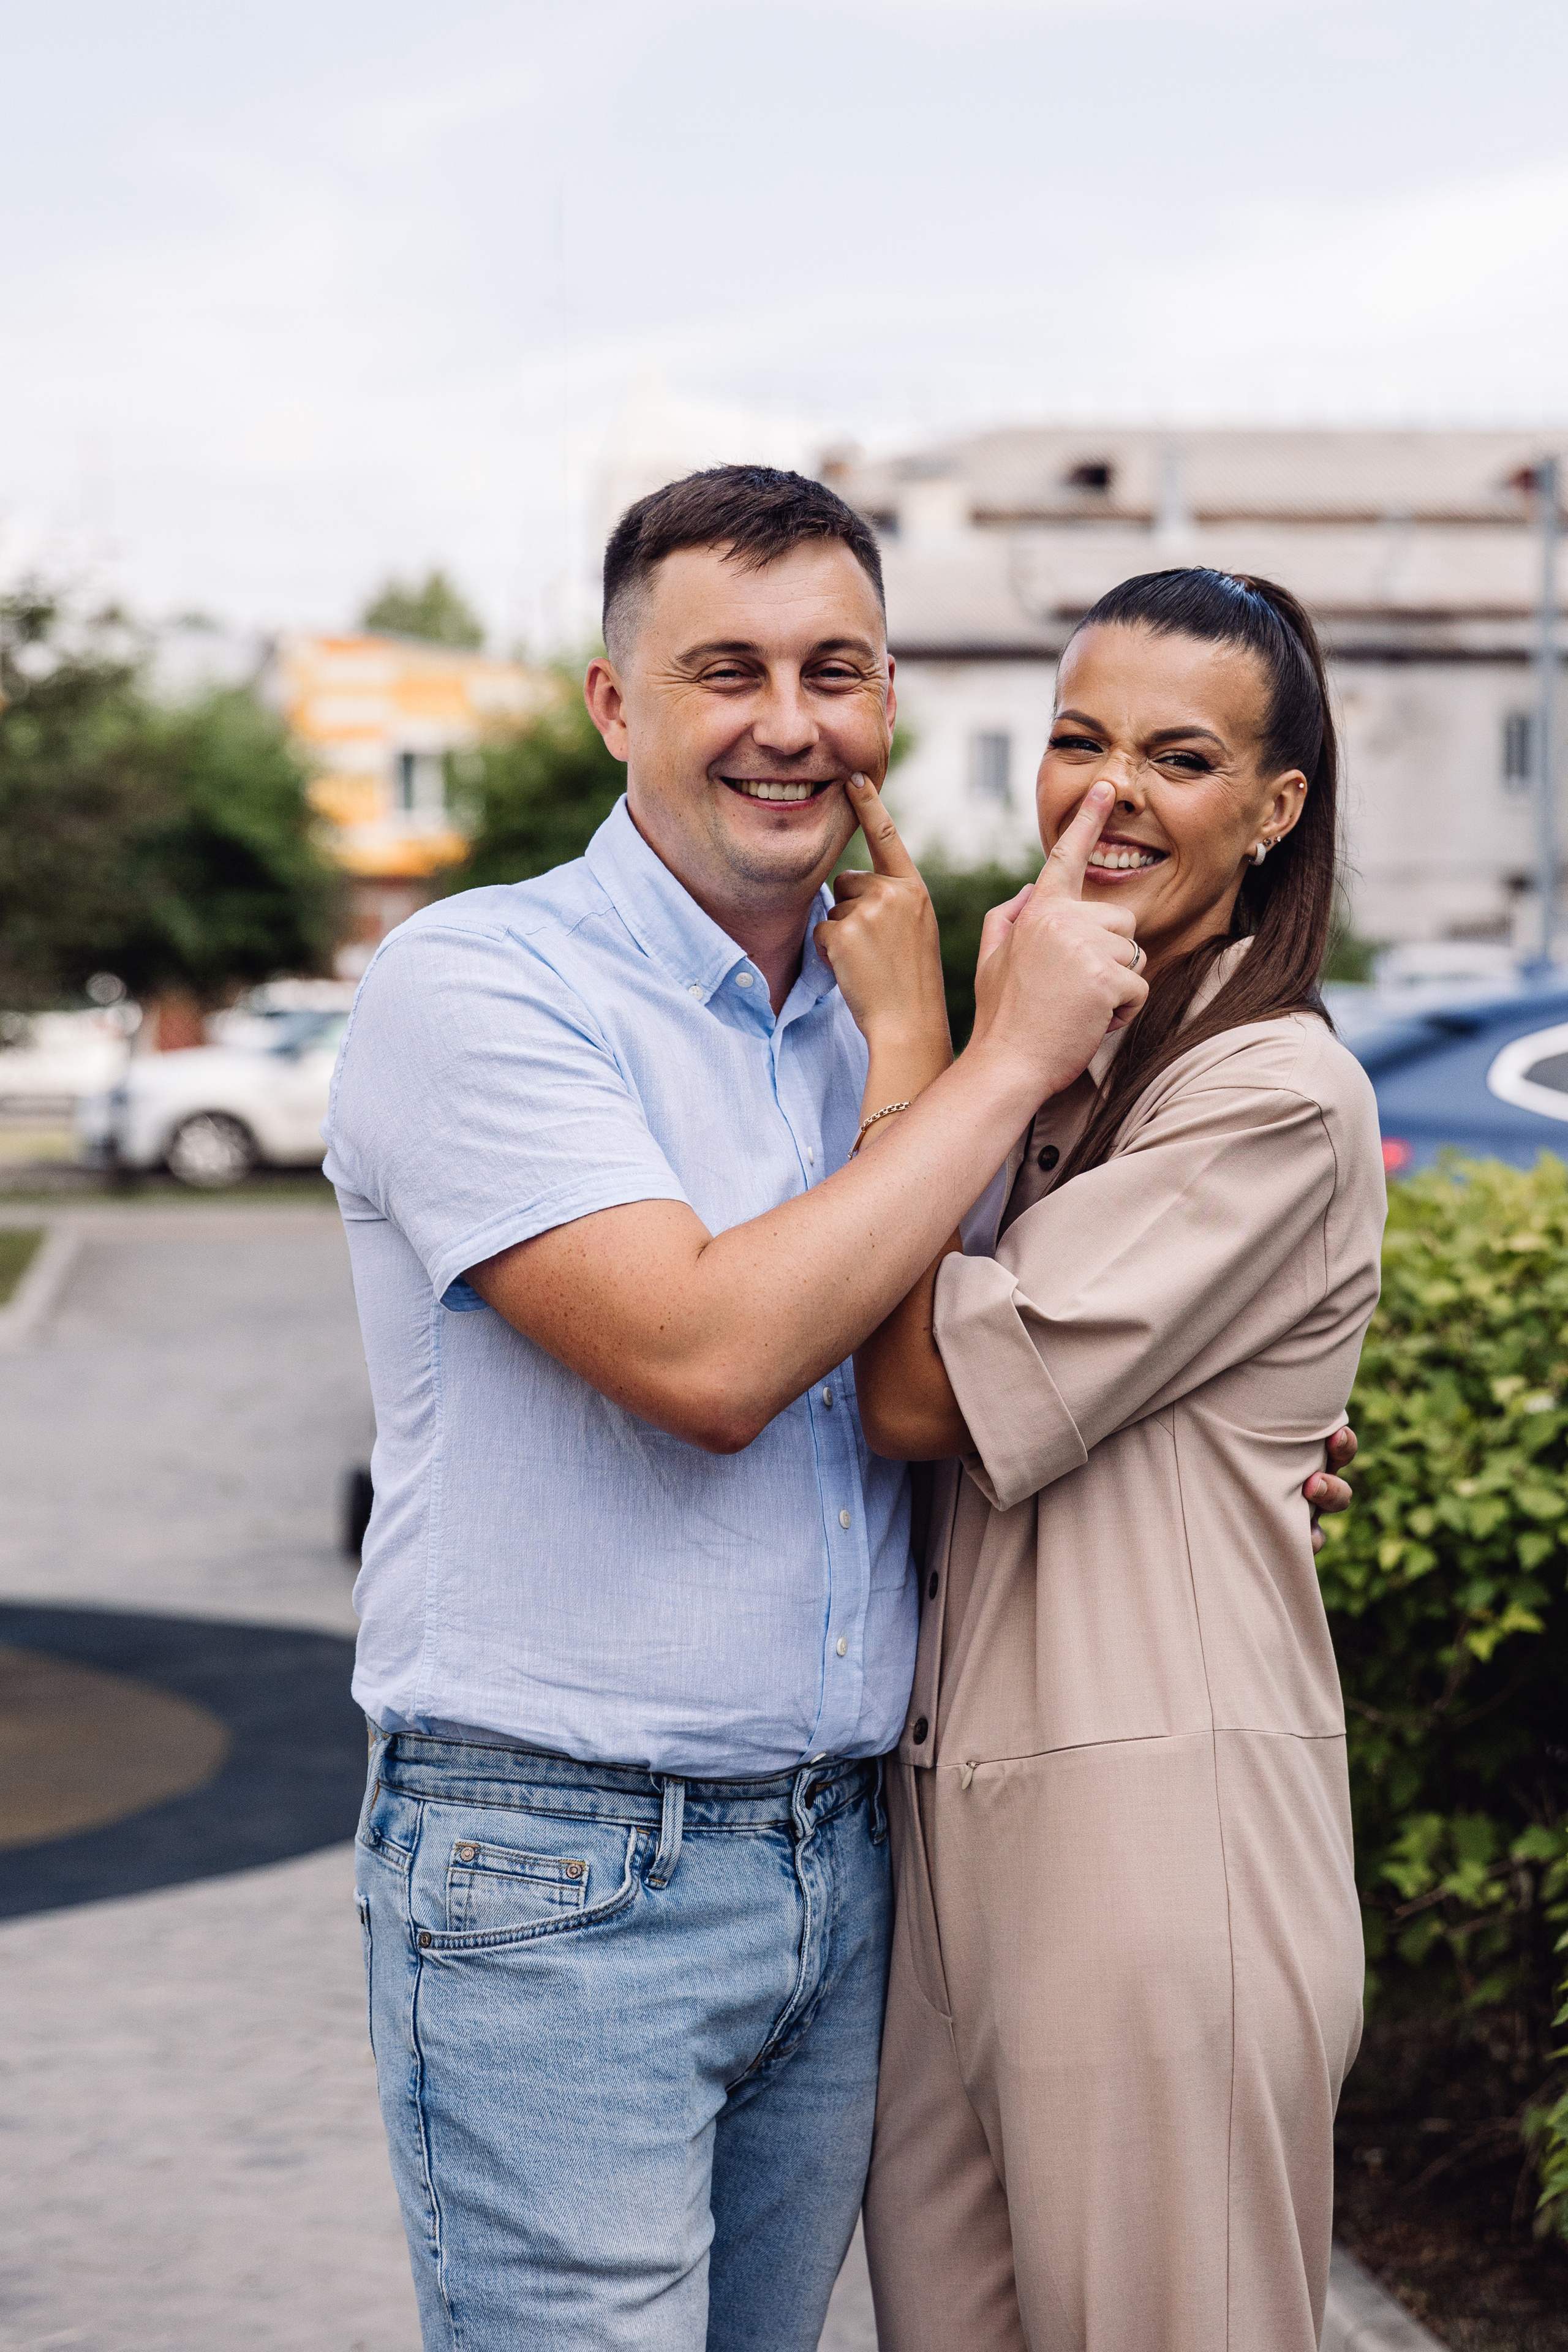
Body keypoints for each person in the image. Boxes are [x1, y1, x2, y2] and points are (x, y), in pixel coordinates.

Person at [325, 473, 1355, 2352]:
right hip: (567, 1871)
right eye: (726, 671)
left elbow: (998, 1358)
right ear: (613, 706)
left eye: (838, 672)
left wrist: (1223, 1446)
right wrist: (981, 1054)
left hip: (854, 1866)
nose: (790, 724)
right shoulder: (485, 985)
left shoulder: (890, 1024)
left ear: (887, 707)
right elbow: (718, 1365)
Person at [825, 568, 1384, 2352]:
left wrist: (927, 1044)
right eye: (1080, 739)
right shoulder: (1071, 1053)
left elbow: (917, 1399)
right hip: (948, 1833)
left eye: (1181, 754)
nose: (1111, 792)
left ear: (1275, 808)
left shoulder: (1268, 1089)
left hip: (1156, 1838)